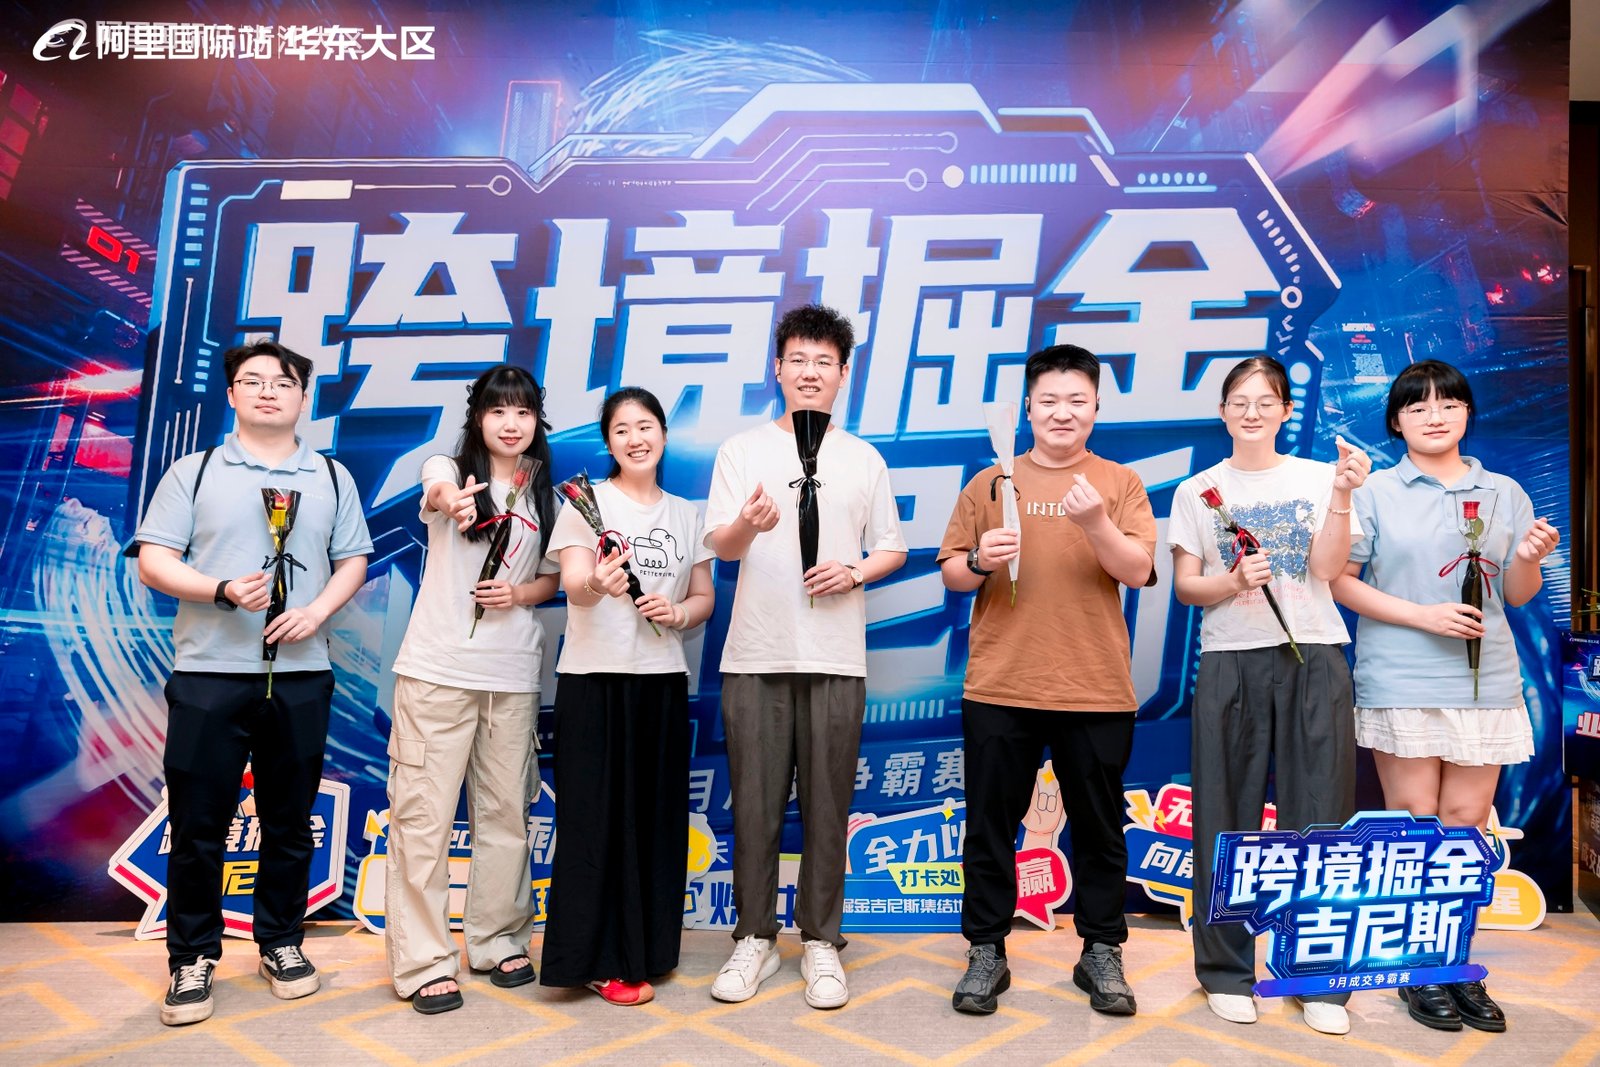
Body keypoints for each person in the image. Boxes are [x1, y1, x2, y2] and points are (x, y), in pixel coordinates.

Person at [133, 339, 372, 1026]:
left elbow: (353, 559)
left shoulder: (330, 476)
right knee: (198, 824)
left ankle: (281, 941)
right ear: (232, 393)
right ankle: (191, 956)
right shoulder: (196, 471)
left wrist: (316, 613)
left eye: (284, 382)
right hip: (209, 673)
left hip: (301, 675)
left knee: (290, 822)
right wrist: (220, 590)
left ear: (303, 397)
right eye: (254, 380)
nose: (269, 391)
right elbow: (153, 559)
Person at [1332, 360, 1558, 1034]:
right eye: (1418, 406)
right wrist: (1422, 616)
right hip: (1402, 676)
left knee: (1464, 823)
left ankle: (1452, 961)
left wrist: (1530, 556)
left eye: (1449, 403)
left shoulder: (1504, 491)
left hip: (1485, 679)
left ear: (1467, 413)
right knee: (1414, 824)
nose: (1435, 415)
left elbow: (1515, 593)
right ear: (1395, 421)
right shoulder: (1376, 491)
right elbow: (1341, 581)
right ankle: (1415, 967)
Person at [937, 343, 1156, 1018]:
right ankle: (986, 949)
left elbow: (1138, 571)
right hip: (1001, 683)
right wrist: (980, 559)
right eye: (1050, 400)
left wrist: (1094, 523)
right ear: (1028, 408)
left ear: (1096, 407)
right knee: (990, 826)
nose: (1063, 412)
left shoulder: (1118, 483)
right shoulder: (991, 481)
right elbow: (952, 573)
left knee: (1099, 829)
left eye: (1077, 400)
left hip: (1095, 686)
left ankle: (1101, 950)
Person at [703, 304, 907, 1009]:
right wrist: (747, 523)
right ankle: (754, 937)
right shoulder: (742, 451)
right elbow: (722, 548)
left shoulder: (863, 458)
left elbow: (893, 546)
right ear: (778, 368)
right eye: (798, 360)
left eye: (824, 361)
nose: (810, 372)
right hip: (756, 655)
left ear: (844, 373)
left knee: (827, 806)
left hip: (836, 657)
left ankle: (821, 938)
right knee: (755, 806)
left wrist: (854, 571)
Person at [1168, 356, 1370, 1036]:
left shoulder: (1318, 477)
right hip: (1231, 659)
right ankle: (1225, 971)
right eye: (1239, 401)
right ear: (1222, 411)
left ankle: (1319, 977)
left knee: (1322, 817)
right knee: (1224, 816)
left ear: (1286, 410)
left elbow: (1327, 569)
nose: (1251, 412)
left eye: (1266, 401)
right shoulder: (1198, 490)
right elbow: (1187, 587)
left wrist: (1341, 494)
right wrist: (1231, 581)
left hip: (1316, 655)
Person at [383, 365, 559, 1014]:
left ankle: (497, 939)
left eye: (523, 412)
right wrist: (452, 500)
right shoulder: (450, 471)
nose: (511, 424)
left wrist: (518, 593)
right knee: (423, 821)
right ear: (477, 418)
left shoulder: (546, 495)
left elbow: (550, 580)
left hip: (511, 678)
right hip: (437, 674)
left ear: (537, 421)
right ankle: (425, 960)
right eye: (497, 411)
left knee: (506, 815)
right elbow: (436, 493)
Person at [538, 386, 716, 1006]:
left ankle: (648, 949)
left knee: (655, 821)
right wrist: (598, 582)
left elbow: (703, 598)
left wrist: (679, 613)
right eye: (621, 430)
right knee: (594, 822)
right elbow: (572, 587)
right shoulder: (585, 503)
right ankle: (596, 959)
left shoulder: (687, 514)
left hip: (661, 681)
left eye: (645, 427)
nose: (635, 438)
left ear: (663, 434)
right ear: (608, 442)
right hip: (594, 680)